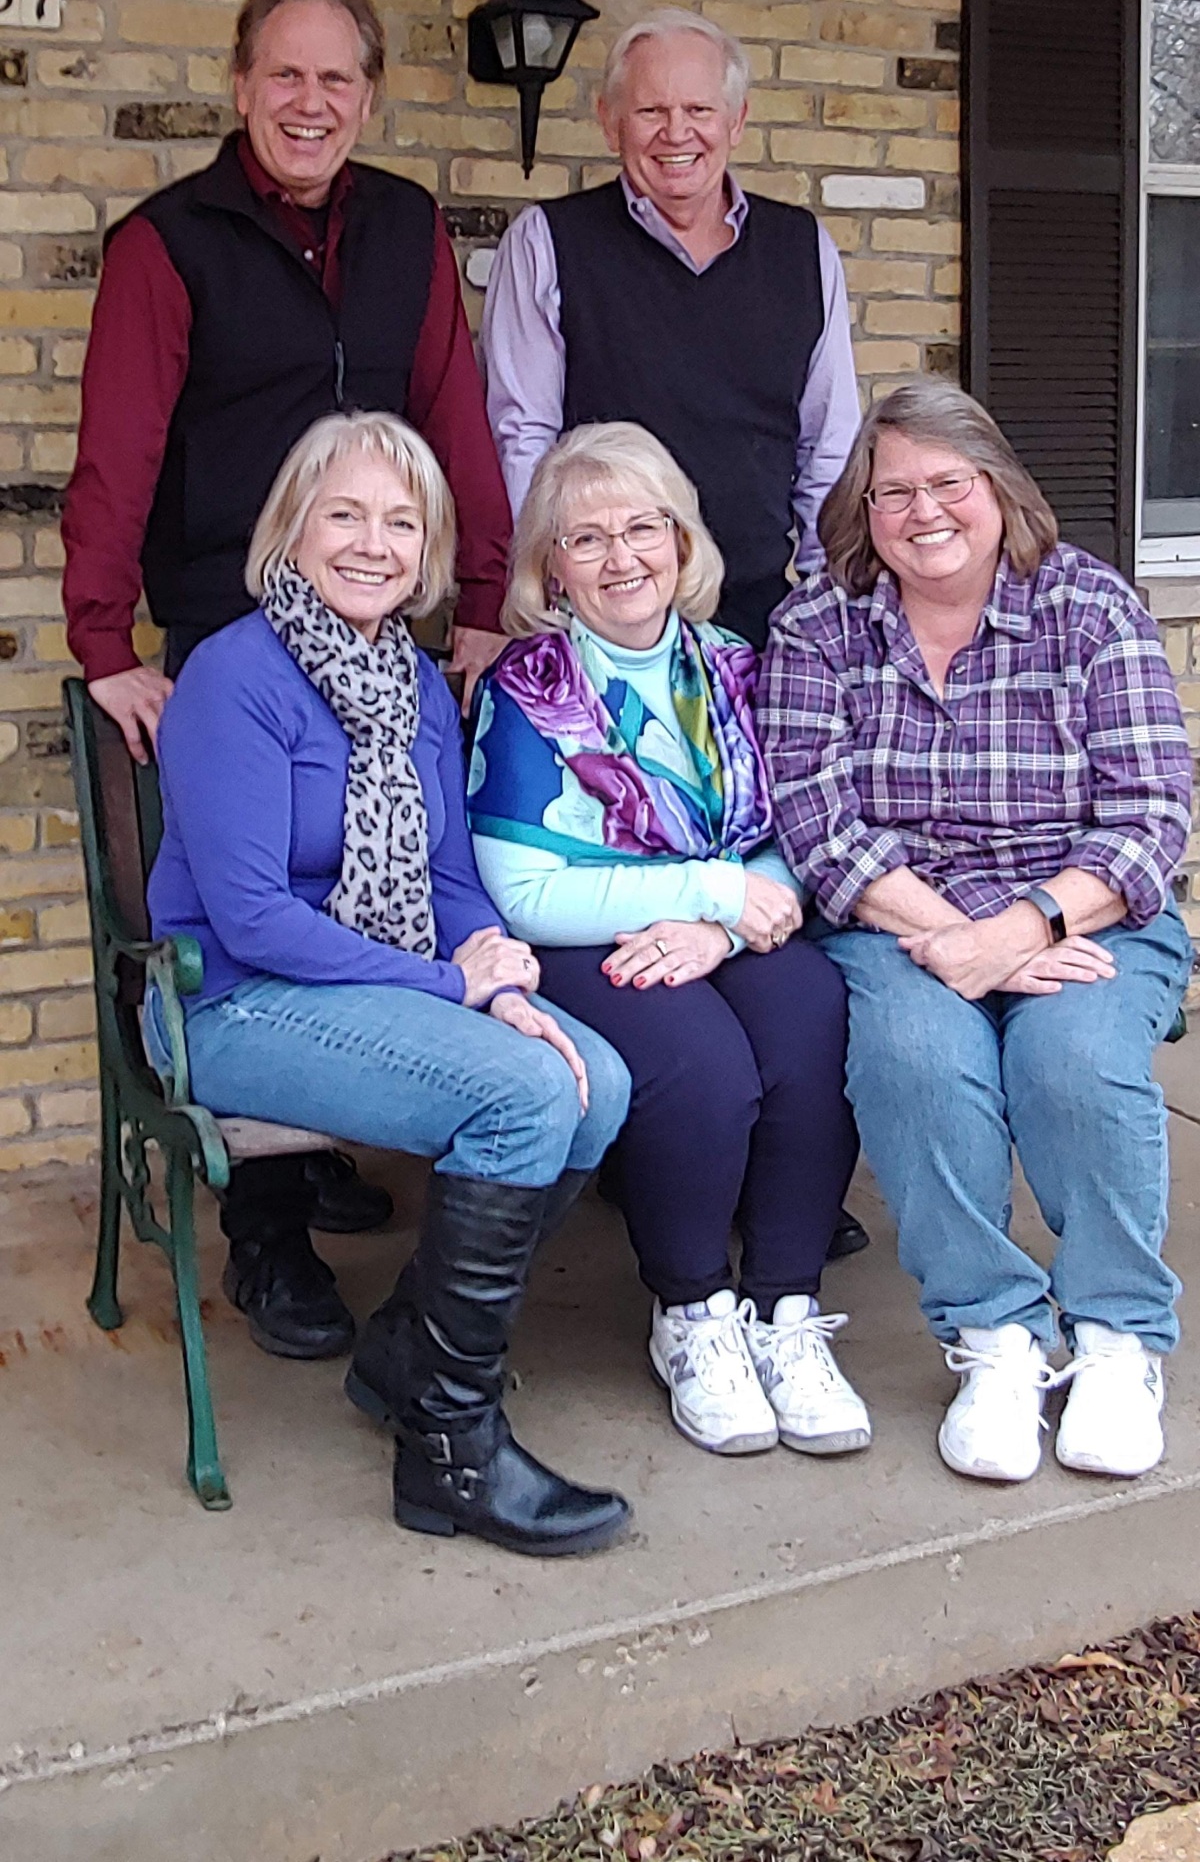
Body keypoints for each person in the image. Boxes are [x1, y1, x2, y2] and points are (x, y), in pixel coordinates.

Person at [64, 0, 515, 1275]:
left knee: (365, 860)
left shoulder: (407, 228)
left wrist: (478, 598)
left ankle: (325, 1136)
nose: (310, 102)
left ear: (367, 93)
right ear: (242, 82)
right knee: (253, 891)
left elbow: (454, 414)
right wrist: (105, 640)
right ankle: (264, 1229)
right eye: (285, 74)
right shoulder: (169, 242)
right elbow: (118, 452)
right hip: (227, 626)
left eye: (337, 78)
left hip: (377, 624)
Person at [147, 410, 632, 1557]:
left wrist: (503, 985)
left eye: (402, 523)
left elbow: (453, 877)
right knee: (524, 1098)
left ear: (426, 551)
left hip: (373, 987)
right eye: (346, 513)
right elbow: (252, 914)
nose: (374, 543)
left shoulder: (410, 678)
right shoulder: (235, 676)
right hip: (231, 1000)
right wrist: (444, 982)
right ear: (292, 529)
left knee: (596, 1083)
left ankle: (409, 1346)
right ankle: (450, 1447)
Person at [758, 377, 1194, 1486]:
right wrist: (966, 936)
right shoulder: (819, 624)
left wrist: (1026, 924)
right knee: (914, 1058)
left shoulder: (1088, 605)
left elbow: (1155, 812)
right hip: (902, 915)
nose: (923, 510)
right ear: (863, 506)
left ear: (998, 486)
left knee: (1074, 1061)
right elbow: (815, 819)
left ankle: (1115, 1336)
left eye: (948, 481)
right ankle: (996, 1334)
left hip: (1084, 910)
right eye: (892, 488)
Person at [466, 421, 871, 1462]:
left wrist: (719, 918)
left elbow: (794, 834)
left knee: (811, 1014)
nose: (622, 556)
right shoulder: (527, 686)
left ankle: (784, 1311)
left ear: (683, 542)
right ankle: (692, 1308)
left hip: (723, 925)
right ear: (550, 565)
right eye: (587, 537)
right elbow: (521, 887)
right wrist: (708, 890)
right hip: (584, 937)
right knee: (700, 1063)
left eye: (644, 527)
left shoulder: (738, 664)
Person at [481, 4, 860, 654]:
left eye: (699, 110)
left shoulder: (803, 248)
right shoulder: (547, 243)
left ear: (736, 121)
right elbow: (524, 438)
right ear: (609, 122)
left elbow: (830, 447)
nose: (676, 132)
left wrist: (832, 603)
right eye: (651, 112)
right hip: (601, 623)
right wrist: (543, 598)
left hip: (761, 620)